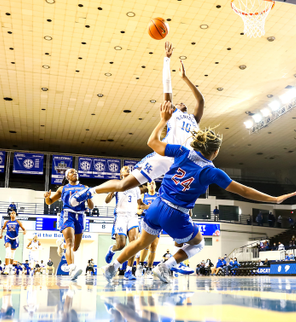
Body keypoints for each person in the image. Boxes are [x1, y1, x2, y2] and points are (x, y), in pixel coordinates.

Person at [102, 101, 296, 282]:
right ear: (216, 152)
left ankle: (112, 267)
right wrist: (274, 199)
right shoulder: (211, 171)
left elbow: (152, 142)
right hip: (176, 213)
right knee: (198, 243)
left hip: (156, 205)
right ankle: (165, 267)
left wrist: (163, 121)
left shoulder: (181, 151)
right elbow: (244, 191)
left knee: (141, 243)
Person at [71, 41, 205, 208]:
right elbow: (167, 87)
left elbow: (200, 99)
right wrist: (166, 60)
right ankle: (90, 192)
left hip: (183, 161)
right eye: (177, 103)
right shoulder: (173, 114)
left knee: (184, 196)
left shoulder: (194, 119)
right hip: (165, 156)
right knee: (124, 185)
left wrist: (185, 78)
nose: (181, 102)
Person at [44, 168, 94, 281]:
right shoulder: (63, 188)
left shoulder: (84, 188)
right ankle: (72, 268)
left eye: (76, 172)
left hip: (81, 215)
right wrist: (47, 197)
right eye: (71, 172)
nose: (74, 173)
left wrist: (89, 197)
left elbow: (91, 207)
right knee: (70, 243)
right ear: (67, 177)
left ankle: (62, 245)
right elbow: (50, 202)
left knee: (75, 247)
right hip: (68, 214)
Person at [103, 166, 144, 281]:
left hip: (133, 217)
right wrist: (112, 190)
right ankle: (112, 249)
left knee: (133, 244)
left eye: (129, 169)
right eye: (125, 169)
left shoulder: (136, 187)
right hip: (120, 216)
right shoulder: (117, 185)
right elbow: (106, 201)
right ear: (121, 174)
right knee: (121, 245)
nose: (127, 170)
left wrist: (149, 208)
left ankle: (129, 271)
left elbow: (140, 204)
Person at [137, 181, 161, 279]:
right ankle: (140, 265)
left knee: (154, 246)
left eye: (153, 183)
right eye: (149, 183)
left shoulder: (159, 196)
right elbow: (137, 209)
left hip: (157, 221)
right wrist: (141, 211)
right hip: (145, 221)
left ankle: (149, 268)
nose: (151, 184)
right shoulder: (143, 196)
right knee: (145, 244)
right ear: (147, 186)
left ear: (155, 186)